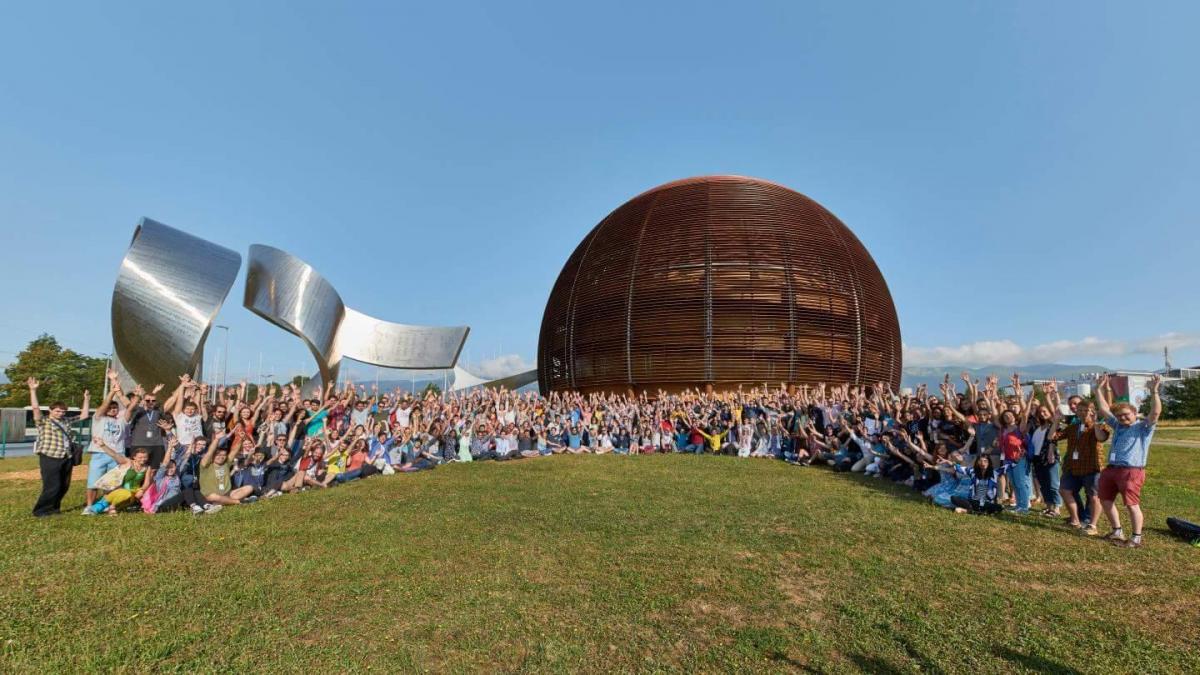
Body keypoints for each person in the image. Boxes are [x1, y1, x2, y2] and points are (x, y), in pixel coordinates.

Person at [1094, 373, 1160, 548]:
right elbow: (1103, 410)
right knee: (1105, 500)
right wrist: (1098, 389)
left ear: (1134, 413)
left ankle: (1136, 538)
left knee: (1131, 504)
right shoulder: (1117, 426)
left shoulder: (1143, 428)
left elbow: (1155, 413)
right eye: (1120, 416)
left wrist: (1154, 392)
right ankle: (1117, 531)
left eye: (1126, 415)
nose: (1122, 418)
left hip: (1131, 471)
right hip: (1111, 469)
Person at [28, 377, 89, 517]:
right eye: (57, 411)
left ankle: (54, 509)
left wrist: (86, 399)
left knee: (64, 485)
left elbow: (84, 415)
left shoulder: (66, 421)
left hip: (66, 457)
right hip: (50, 457)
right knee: (52, 486)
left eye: (62, 411)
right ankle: (41, 511)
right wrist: (33, 390)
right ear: (50, 410)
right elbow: (36, 408)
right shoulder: (43, 421)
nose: (60, 413)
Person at [84, 371, 138, 514]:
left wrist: (137, 396)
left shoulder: (122, 421)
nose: (113, 410)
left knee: (112, 484)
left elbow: (131, 408)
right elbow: (104, 404)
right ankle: (89, 506)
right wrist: (112, 391)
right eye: (110, 408)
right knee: (93, 482)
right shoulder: (99, 418)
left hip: (117, 455)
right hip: (99, 453)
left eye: (115, 408)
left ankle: (109, 505)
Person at [1055, 398, 1109, 535]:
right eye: (1080, 410)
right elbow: (1053, 437)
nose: (1083, 413)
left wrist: (1096, 423)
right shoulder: (1073, 426)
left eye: (1086, 410)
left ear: (1092, 412)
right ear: (1076, 412)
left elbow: (1101, 438)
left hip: (1092, 466)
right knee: (1065, 490)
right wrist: (1056, 420)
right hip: (1072, 466)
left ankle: (1092, 525)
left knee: (1094, 496)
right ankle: (1075, 520)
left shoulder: (1099, 425)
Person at [87, 440, 151, 514]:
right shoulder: (128, 462)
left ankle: (118, 506)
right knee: (126, 494)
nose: (143, 459)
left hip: (136, 491)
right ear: (134, 457)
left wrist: (142, 490)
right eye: (140, 457)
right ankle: (110, 507)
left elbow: (147, 482)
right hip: (120, 489)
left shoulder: (147, 467)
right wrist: (103, 445)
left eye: (145, 457)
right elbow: (114, 455)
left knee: (148, 496)